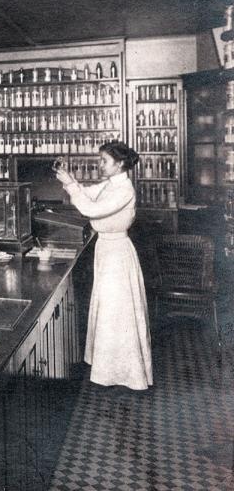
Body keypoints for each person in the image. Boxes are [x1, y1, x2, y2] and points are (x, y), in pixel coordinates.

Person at [55, 141, 152, 391]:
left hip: (117, 254)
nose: (100, 165)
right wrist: (68, 180)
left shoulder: (124, 190)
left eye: (104, 161)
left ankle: (124, 374)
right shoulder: (112, 184)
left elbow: (90, 209)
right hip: (107, 250)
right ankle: (106, 370)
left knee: (117, 313)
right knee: (109, 310)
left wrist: (71, 187)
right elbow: (87, 193)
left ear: (119, 164)